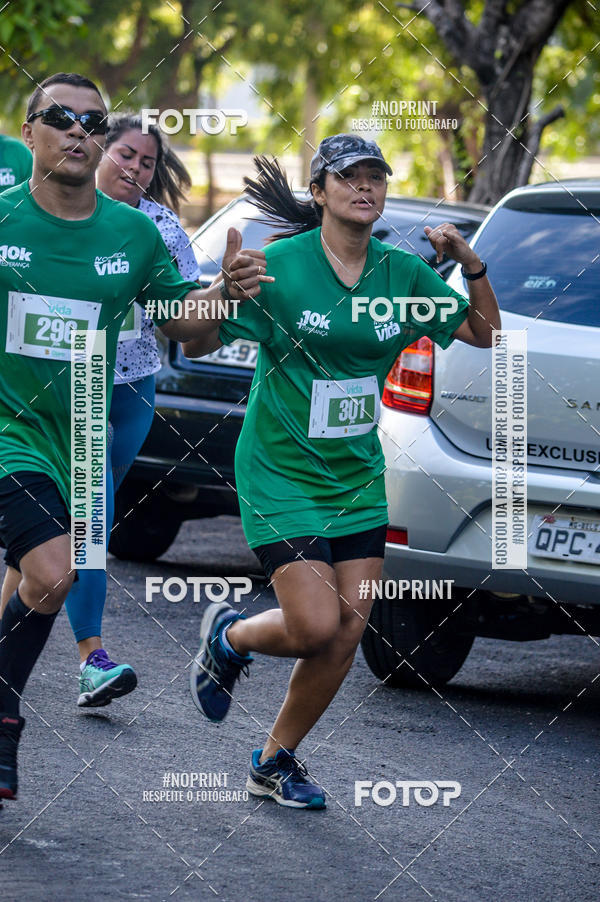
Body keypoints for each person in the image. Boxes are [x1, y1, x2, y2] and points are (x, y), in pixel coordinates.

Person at [183, 135, 501, 809]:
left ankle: (274, 762)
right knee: (313, 624)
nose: (364, 187)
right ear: (319, 191)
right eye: (348, 177)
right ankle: (229, 635)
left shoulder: (401, 273)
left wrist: (472, 264)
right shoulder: (279, 266)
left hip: (355, 476)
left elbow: (485, 334)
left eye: (375, 177)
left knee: (348, 631)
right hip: (280, 470)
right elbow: (194, 338)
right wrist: (220, 292)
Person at [0, 71, 271, 802]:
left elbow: (183, 322)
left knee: (38, 574)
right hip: (7, 430)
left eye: (92, 121)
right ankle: (5, 722)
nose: (78, 130)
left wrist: (225, 292)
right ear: (29, 133)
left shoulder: (135, 233)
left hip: (84, 425)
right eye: (60, 117)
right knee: (53, 569)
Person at [0, 112, 202, 707]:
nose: (135, 167)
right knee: (82, 522)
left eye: (148, 162)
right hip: (63, 386)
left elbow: (190, 317)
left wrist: (229, 299)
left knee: (74, 521)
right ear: (99, 153)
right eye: (126, 154)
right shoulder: (39, 211)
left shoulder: (157, 229)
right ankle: (92, 657)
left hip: (128, 381)